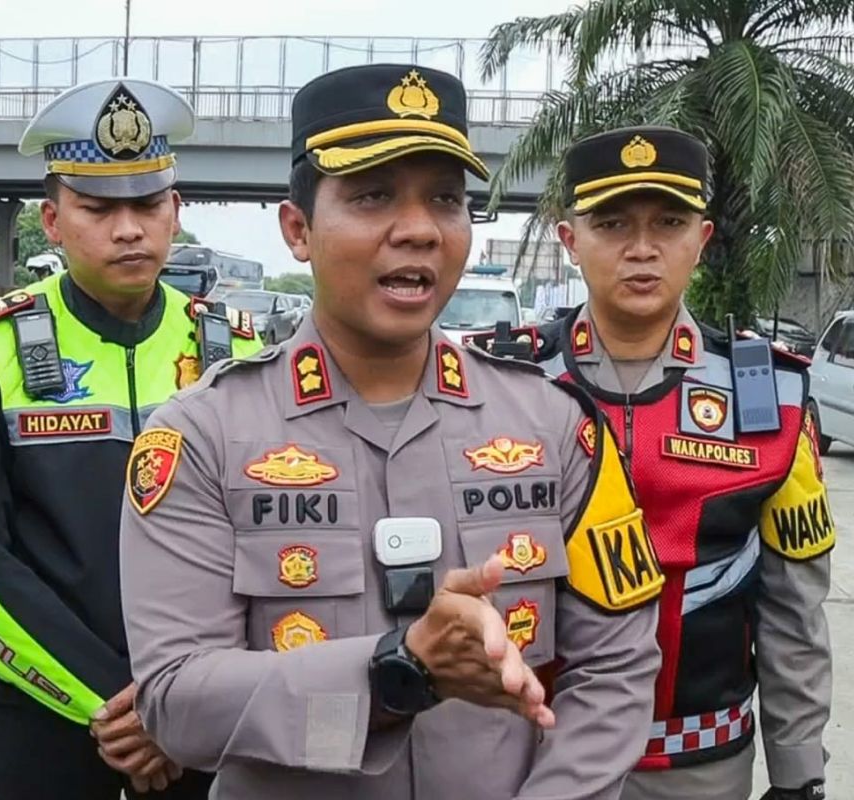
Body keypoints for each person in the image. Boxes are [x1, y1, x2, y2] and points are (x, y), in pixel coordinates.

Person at [118, 63, 664, 800]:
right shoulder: (201, 437)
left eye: (445, 199)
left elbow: (619, 668)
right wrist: (393, 672)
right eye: (373, 196)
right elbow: (177, 703)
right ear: (298, 229)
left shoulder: (555, 425)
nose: (417, 231)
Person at [0, 77, 263, 800]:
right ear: (51, 219)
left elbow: (272, 546)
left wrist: (180, 699)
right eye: (98, 208)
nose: (128, 229)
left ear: (177, 211)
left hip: (202, 717)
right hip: (41, 720)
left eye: (146, 204)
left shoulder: (236, 350)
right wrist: (113, 703)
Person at [516, 125, 831, 800]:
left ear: (703, 239)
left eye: (668, 222)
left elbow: (794, 613)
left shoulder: (769, 396)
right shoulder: (507, 385)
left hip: (701, 764)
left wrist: (798, 774)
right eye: (611, 223)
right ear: (570, 241)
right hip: (532, 752)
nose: (641, 248)